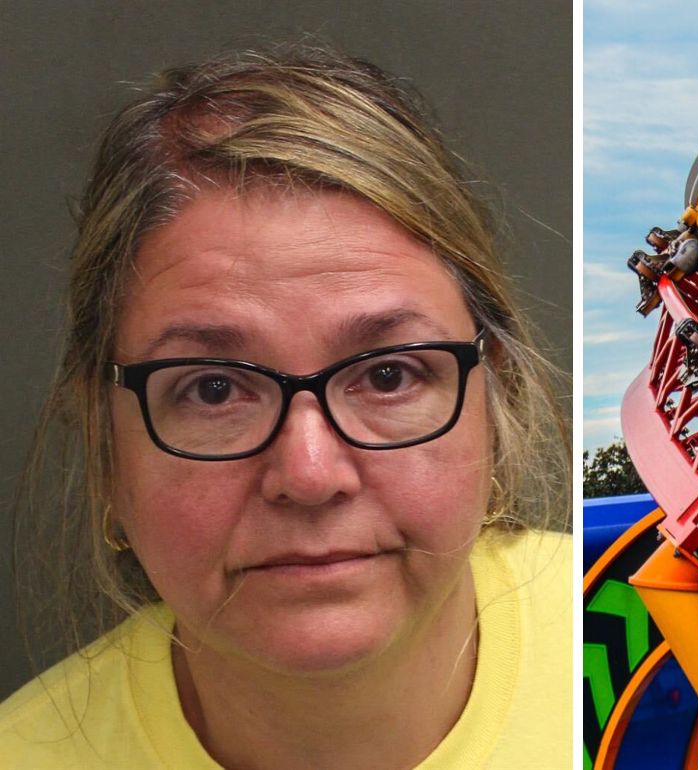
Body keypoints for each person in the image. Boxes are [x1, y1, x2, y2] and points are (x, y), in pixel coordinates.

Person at [0, 42, 571, 769]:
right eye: (213, 388)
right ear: (106, 446)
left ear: (493, 401)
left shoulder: (607, 619)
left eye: (388, 375)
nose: (309, 474)